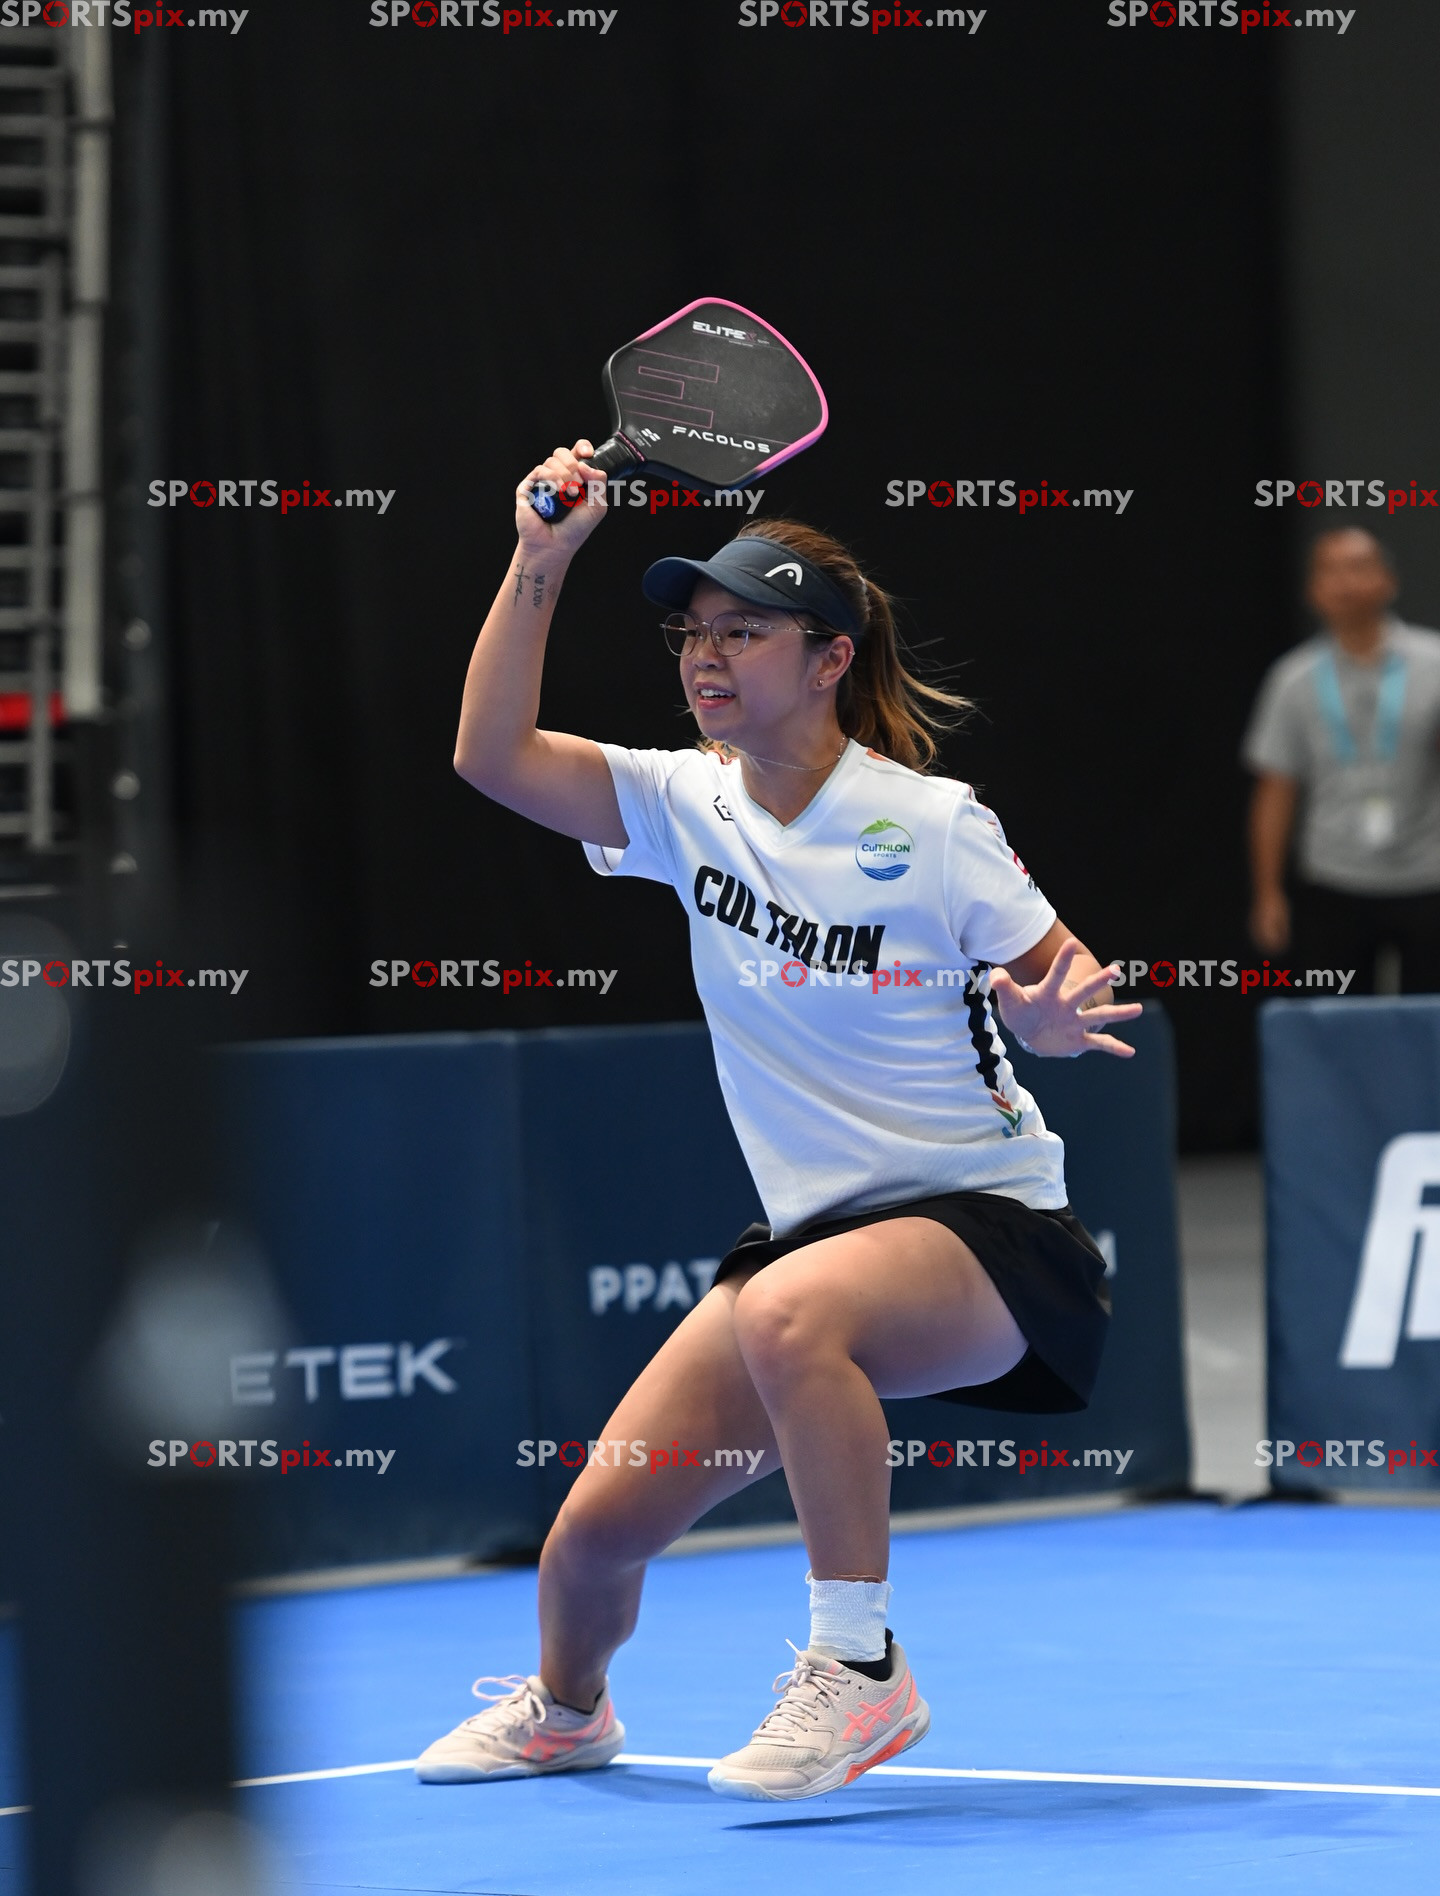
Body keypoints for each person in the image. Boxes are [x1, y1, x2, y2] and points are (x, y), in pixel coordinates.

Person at [417, 439, 1141, 1804]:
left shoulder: (930, 824)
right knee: (591, 1538)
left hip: (991, 1237)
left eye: (743, 631)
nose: (706, 656)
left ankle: (859, 1665)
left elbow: (1071, 985)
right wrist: (539, 558)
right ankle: (568, 1710)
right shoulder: (678, 801)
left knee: (790, 1311)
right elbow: (489, 754)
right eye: (693, 633)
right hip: (811, 1245)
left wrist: (1049, 1021)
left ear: (828, 659)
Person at [1245, 526, 1440, 991]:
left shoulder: (1434, 664)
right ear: (1312, 590)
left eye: (1358, 567)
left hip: (1428, 874)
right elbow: (1276, 791)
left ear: (1388, 580)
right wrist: (1268, 893)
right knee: (1336, 1017)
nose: (1345, 583)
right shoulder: (1292, 679)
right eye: (1330, 571)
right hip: (1334, 878)